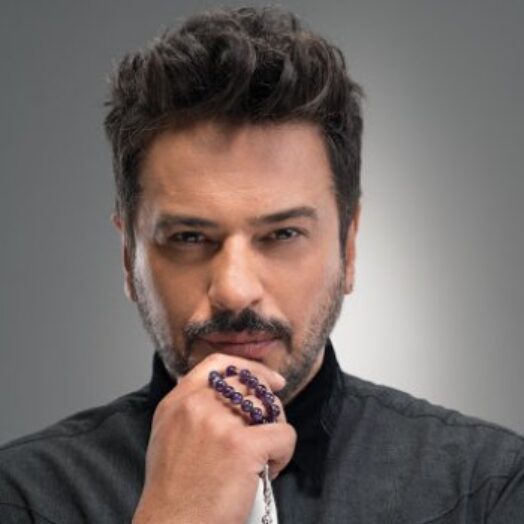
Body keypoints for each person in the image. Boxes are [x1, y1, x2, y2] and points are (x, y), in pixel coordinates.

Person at [0, 6, 523, 523]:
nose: (234, 290)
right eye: (189, 237)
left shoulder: (488, 489)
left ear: (349, 247)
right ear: (127, 256)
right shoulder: (21, 497)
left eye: (282, 234)